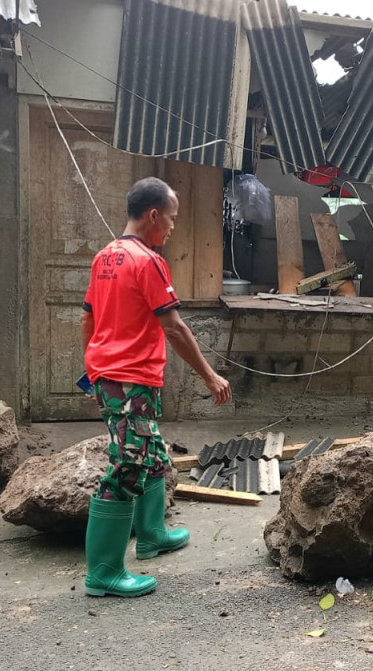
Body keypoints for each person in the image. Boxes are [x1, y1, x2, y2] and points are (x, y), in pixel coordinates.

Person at [81, 177, 232, 598]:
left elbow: (87, 319)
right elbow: (175, 327)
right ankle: (104, 573)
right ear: (153, 215)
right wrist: (209, 374)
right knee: (126, 466)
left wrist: (92, 369)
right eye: (171, 217)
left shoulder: (105, 257)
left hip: (117, 376)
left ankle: (151, 535)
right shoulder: (147, 261)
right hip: (129, 378)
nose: (172, 226)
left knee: (151, 454)